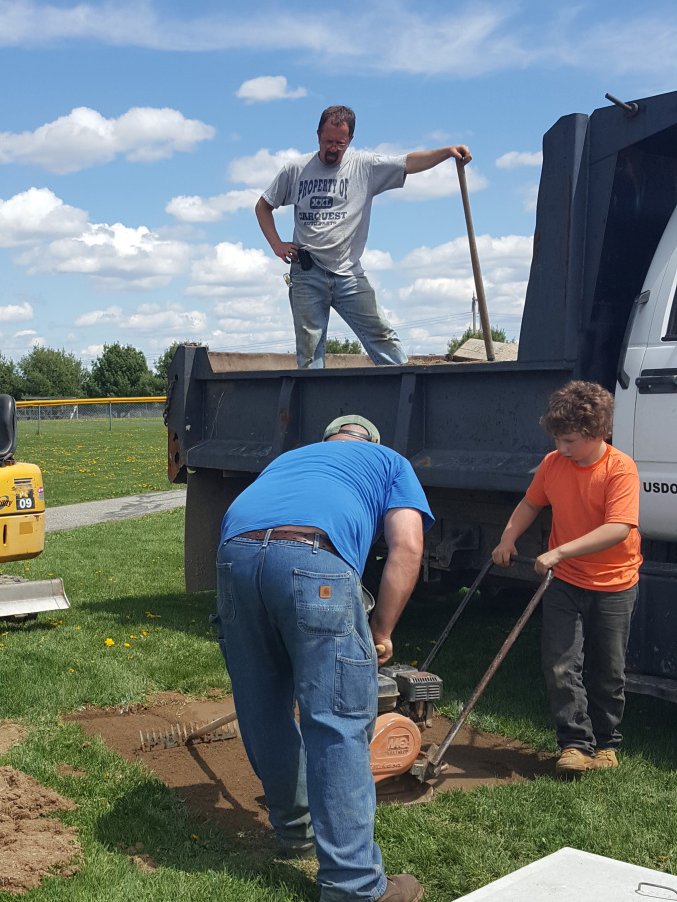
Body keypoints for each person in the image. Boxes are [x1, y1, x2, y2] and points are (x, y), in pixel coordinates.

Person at [215, 414, 433, 902]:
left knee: (263, 706)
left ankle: (296, 831)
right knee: (336, 721)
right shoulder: (389, 461)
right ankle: (354, 886)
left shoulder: (290, 459)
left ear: (329, 439)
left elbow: (251, 521)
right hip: (313, 559)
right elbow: (408, 547)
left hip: (235, 558)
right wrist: (382, 629)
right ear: (370, 442)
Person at [492, 380, 641, 777]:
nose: (562, 449)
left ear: (599, 433)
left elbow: (619, 528)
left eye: (571, 441)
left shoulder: (619, 468)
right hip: (566, 583)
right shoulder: (552, 464)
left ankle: (606, 744)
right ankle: (575, 744)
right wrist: (508, 537)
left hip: (614, 584)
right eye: (558, 439)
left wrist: (559, 550)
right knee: (560, 663)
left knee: (607, 671)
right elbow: (530, 502)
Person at [256, 105, 472, 369]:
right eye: (327, 142)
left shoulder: (364, 167)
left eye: (340, 143)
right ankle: (313, 404)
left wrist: (446, 153)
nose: (333, 148)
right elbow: (263, 205)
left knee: (382, 335)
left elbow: (408, 162)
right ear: (317, 136)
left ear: (350, 141)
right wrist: (276, 244)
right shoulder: (296, 170)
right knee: (310, 351)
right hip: (307, 272)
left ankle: (408, 391)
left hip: (348, 273)